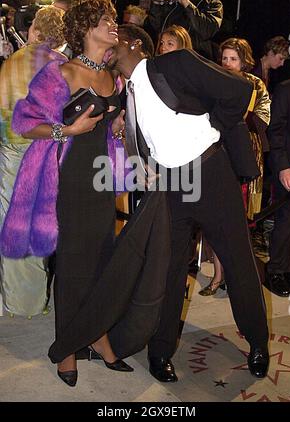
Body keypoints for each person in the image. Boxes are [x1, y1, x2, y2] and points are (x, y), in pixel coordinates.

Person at [108, 24, 269, 382]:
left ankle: (258, 343)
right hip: (171, 184)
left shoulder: (176, 63)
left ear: (134, 43)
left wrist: (214, 123)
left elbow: (240, 90)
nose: (107, 43)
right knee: (169, 269)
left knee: (238, 262)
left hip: (210, 173)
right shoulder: (126, 94)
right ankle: (160, 351)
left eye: (114, 36)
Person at [0, 0, 133, 386]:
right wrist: (68, 130)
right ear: (87, 29)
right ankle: (68, 348)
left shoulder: (114, 78)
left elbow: (110, 126)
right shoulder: (62, 73)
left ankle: (99, 336)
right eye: (107, 21)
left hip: (101, 179)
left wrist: (118, 125)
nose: (114, 26)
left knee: (101, 260)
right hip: (69, 179)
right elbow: (25, 124)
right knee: (74, 265)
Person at [0, 5, 67, 317]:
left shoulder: (12, 61)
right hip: (43, 154)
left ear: (36, 30)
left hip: (10, 153)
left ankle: (13, 301)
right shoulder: (61, 65)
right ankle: (30, 302)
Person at [199, 37, 271, 296]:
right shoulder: (213, 80)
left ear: (244, 61)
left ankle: (241, 282)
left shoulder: (255, 85)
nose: (228, 63)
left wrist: (235, 115)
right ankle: (218, 276)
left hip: (243, 157)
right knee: (216, 220)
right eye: (225, 58)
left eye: (233, 59)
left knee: (239, 225)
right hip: (215, 153)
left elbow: (263, 118)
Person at [265, 79, 290, 297]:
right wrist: (283, 166)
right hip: (289, 167)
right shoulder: (286, 89)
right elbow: (275, 130)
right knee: (287, 220)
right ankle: (275, 270)